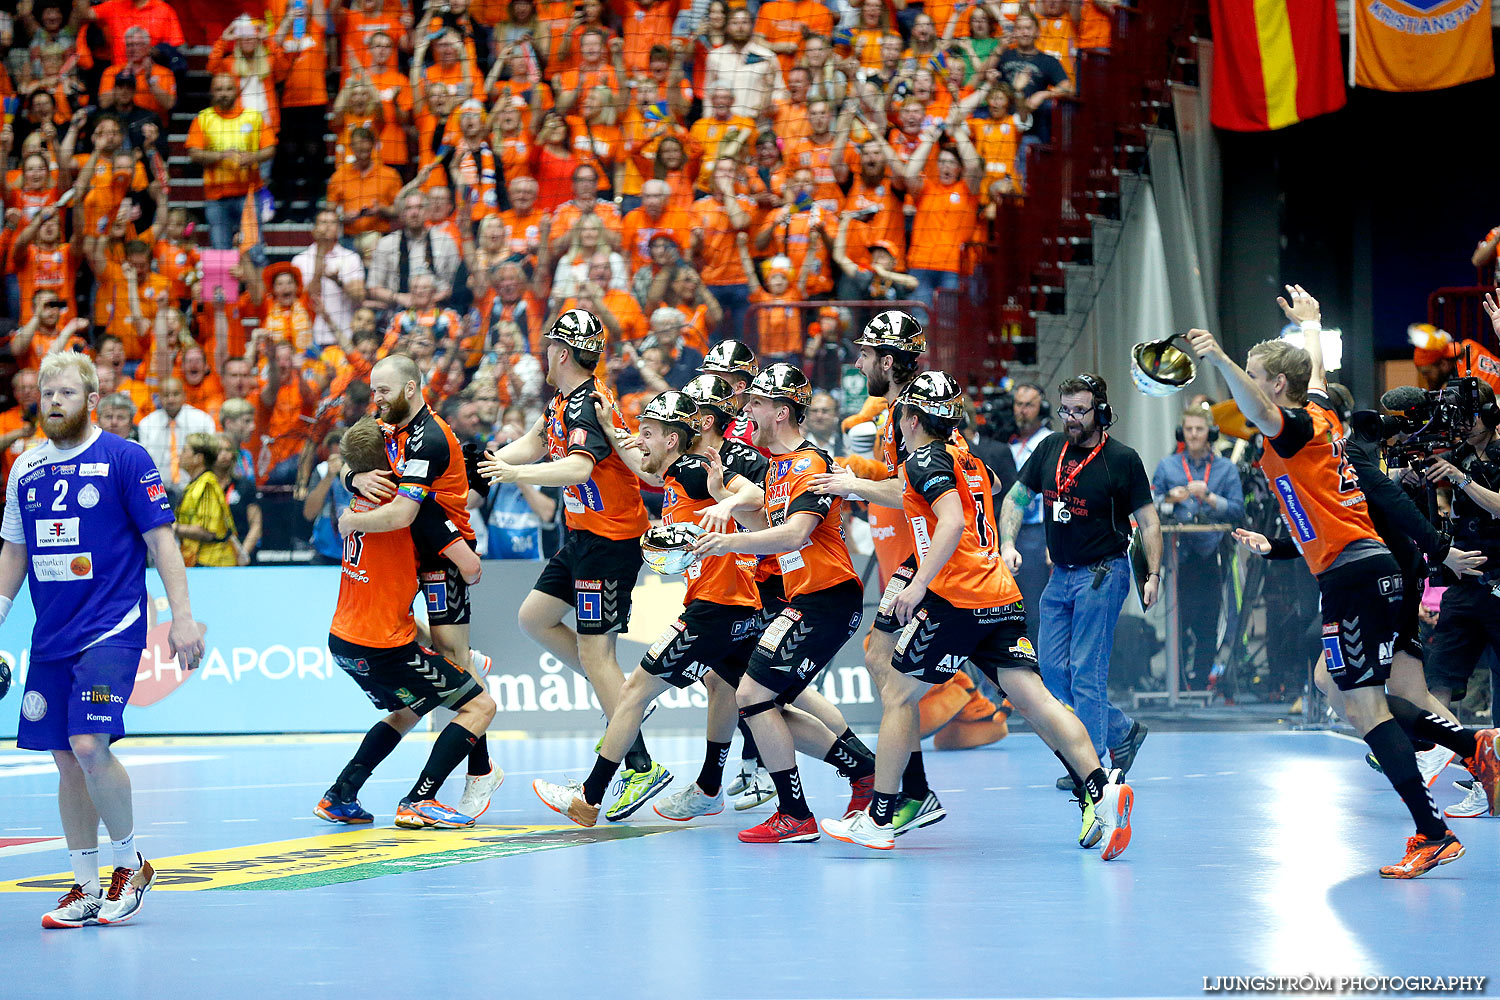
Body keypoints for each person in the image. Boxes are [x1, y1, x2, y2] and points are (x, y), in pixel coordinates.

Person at [1187, 284, 1496, 877]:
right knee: (1364, 699)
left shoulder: (1295, 426)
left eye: (1255, 375)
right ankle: (1472, 746)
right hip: (1364, 570)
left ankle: (1433, 831)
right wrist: (1311, 325)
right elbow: (1317, 378)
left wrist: (1222, 359)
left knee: (1363, 710)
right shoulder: (1324, 414)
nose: (1246, 384)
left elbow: (1258, 406)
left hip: (1353, 574)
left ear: (1274, 386)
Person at [820, 372, 1135, 856]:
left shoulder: (925, 459)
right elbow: (911, 493)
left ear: (909, 418)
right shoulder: (965, 460)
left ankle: (882, 816)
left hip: (957, 599)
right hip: (999, 595)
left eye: (901, 416)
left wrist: (919, 583)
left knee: (900, 696)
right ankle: (1101, 791)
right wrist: (855, 484)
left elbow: (949, 520)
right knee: (1037, 701)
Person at [0, 352, 206, 928]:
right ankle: (85, 886)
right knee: (66, 759)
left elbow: (163, 542)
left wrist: (183, 618)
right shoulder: (25, 468)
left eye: (67, 393)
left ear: (92, 401)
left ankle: (130, 863)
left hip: (113, 625)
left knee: (89, 744)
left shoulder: (125, 457)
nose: (55, 402)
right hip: (51, 635)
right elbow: (14, 550)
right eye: (48, 395)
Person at [532, 391, 766, 825]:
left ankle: (589, 797)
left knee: (634, 692)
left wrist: (725, 500)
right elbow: (649, 470)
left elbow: (753, 494)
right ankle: (862, 773)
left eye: (648, 434)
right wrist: (615, 434)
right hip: (737, 608)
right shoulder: (675, 474)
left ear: (673, 441)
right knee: (769, 701)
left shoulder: (696, 472)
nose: (638, 443)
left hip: (716, 610)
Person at [480, 310, 672, 819]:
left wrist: (512, 472)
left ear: (561, 353)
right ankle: (621, 699)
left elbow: (577, 466)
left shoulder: (589, 402)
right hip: (582, 537)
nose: (545, 354)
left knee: (596, 655)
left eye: (549, 347)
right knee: (533, 618)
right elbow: (540, 442)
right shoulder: (566, 400)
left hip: (610, 541)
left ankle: (639, 762)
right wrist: (493, 460)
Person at [691, 363, 877, 843]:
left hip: (828, 598)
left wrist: (725, 543)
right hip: (803, 600)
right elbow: (766, 537)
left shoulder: (809, 464)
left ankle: (799, 812)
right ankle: (862, 773)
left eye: (755, 403)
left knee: (752, 696)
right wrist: (723, 500)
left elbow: (795, 534)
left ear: (780, 411)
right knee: (760, 698)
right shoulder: (774, 466)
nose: (746, 410)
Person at [337, 355, 501, 821]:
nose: (376, 399)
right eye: (373, 391)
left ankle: (477, 771)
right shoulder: (384, 423)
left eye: (383, 391)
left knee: (459, 673)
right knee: (455, 670)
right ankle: (471, 765)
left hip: (440, 548)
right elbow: (348, 454)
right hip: (412, 548)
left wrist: (351, 518)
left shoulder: (428, 436)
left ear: (410, 389)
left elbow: (413, 514)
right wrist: (354, 476)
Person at [1000, 373, 1158, 791]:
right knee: (1051, 673)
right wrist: (1007, 542)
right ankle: (1122, 731)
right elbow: (1017, 495)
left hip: (1102, 575)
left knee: (1086, 672)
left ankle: (1094, 770)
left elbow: (1148, 521)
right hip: (1060, 576)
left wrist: (1153, 574)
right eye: (1065, 409)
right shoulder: (1049, 447)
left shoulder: (1123, 459)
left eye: (1080, 410)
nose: (1071, 418)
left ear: (1101, 412)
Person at [1151, 406, 1243, 690]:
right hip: (1178, 557)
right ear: (1182, 432)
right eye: (1188, 429)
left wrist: (1212, 498)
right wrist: (1170, 499)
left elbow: (1238, 511)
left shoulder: (1226, 469)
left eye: (1199, 429)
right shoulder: (1168, 466)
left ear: (1210, 433)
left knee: (1208, 620)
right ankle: (1176, 683)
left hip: (1213, 555)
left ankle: (1202, 681)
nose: (1193, 435)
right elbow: (1150, 506)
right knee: (1179, 622)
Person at [184, 74, 275, 255]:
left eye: (228, 89)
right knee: (220, 252)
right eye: (219, 89)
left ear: (236, 91)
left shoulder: (253, 117)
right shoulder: (203, 119)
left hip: (249, 194)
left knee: (254, 249)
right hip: (216, 196)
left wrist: (252, 157)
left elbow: (270, 149)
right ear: (212, 92)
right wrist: (222, 155)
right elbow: (193, 153)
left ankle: (254, 283)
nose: (224, 94)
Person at [1007, 381, 1051, 636]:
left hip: (1037, 531)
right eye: (1018, 404)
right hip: (1011, 530)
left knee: (1033, 606)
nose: (1022, 410)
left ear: (1041, 408)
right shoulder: (1010, 441)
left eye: (1029, 405)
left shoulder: (1047, 442)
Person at [135, 377, 219, 493]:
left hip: (197, 488)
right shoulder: (147, 424)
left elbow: (211, 457)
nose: (171, 399)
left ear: (184, 395)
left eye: (175, 394)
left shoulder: (202, 420)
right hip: (159, 492)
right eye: (166, 395)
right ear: (158, 398)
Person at [173, 432, 240, 566]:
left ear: (198, 458)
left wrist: (172, 527)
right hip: (197, 561)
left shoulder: (207, 486)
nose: (180, 455)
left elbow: (207, 532)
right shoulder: (195, 484)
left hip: (212, 564)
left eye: (185, 450)